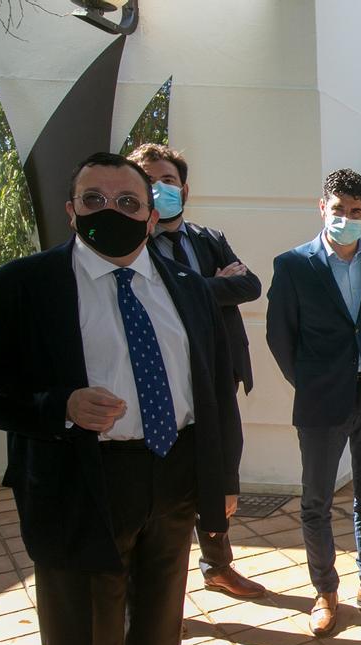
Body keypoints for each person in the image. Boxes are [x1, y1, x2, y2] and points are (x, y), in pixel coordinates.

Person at [0, 152, 243, 645]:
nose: (111, 211)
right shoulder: (24, 285)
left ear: (152, 215)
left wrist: (219, 480)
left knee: (159, 616)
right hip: (78, 481)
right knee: (83, 639)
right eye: (94, 199)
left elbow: (211, 390)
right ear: (71, 210)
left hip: (173, 472)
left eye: (128, 202)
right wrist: (60, 406)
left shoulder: (186, 286)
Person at [266, 168, 361, 637]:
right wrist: (309, 382)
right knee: (317, 501)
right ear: (322, 207)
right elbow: (280, 335)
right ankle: (325, 591)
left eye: (355, 211)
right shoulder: (293, 265)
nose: (346, 217)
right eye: (338, 208)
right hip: (321, 399)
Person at [129, 142, 266, 600]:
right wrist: (212, 286)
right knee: (163, 481)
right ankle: (156, 595)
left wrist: (195, 289)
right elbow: (153, 299)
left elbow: (250, 285)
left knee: (220, 470)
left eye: (168, 180)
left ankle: (218, 566)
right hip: (162, 377)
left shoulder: (208, 239)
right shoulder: (132, 246)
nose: (160, 188)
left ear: (184, 189)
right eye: (149, 181)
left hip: (218, 371)